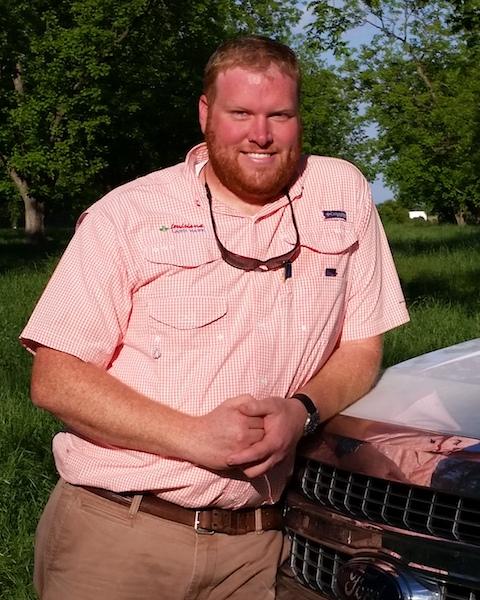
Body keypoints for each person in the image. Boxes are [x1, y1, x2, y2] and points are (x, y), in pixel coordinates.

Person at [21, 35, 409, 600]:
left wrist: (301, 412)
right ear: (206, 114)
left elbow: (361, 345)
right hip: (120, 534)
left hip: (257, 549)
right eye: (241, 114)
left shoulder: (341, 193)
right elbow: (55, 378)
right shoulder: (128, 213)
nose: (261, 134)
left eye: (279, 115)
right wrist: (196, 438)